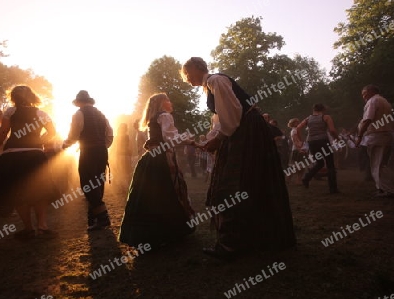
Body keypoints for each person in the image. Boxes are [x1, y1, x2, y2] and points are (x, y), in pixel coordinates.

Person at [181, 57, 296, 260]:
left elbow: (232, 117)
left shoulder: (216, 81)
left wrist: (219, 139)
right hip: (244, 132)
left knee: (233, 184)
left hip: (246, 133)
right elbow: (225, 120)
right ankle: (248, 238)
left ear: (198, 68)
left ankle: (232, 244)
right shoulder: (210, 86)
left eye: (188, 73)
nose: (187, 78)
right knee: (246, 183)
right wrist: (215, 139)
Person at [0, 85, 56, 239]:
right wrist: (38, 142)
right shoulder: (41, 113)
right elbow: (52, 132)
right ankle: (42, 226)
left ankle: (28, 229)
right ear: (32, 96)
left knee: (17, 192)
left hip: (12, 156)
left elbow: (3, 132)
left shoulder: (10, 111)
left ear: (13, 97)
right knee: (40, 191)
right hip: (35, 155)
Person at [119, 93, 196, 248]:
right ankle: (170, 231)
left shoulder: (153, 119)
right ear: (162, 103)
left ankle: (147, 235)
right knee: (168, 192)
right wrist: (188, 139)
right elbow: (171, 139)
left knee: (149, 195)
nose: (170, 102)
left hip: (150, 159)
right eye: (168, 100)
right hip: (162, 160)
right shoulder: (165, 116)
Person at [63, 90, 114, 230]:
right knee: (98, 183)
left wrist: (65, 145)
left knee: (88, 184)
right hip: (102, 151)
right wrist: (103, 146)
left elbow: (74, 135)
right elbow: (110, 134)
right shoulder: (101, 114)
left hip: (88, 152)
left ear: (79, 102)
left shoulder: (79, 114)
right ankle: (93, 219)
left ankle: (102, 218)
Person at [355, 85, 394, 198]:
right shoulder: (385, 101)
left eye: (364, 94)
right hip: (385, 135)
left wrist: (360, 136)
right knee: (381, 163)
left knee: (378, 164)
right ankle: (382, 188)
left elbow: (368, 119)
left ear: (371, 92)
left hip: (377, 135)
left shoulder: (373, 101)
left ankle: (388, 190)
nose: (363, 97)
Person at [296, 104, 340, 194]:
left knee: (319, 163)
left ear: (314, 110)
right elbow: (332, 130)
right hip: (323, 141)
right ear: (323, 109)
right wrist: (337, 138)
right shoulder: (326, 117)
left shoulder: (308, 119)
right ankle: (333, 189)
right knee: (330, 164)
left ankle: (306, 178)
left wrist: (301, 140)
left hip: (312, 142)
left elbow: (298, 128)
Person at [287, 118, 306, 184]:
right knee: (296, 166)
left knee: (299, 166)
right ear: (293, 123)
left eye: (298, 122)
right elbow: (295, 141)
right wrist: (299, 149)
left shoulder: (296, 130)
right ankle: (291, 179)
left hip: (299, 149)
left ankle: (296, 180)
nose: (298, 123)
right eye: (296, 122)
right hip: (297, 150)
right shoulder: (294, 130)